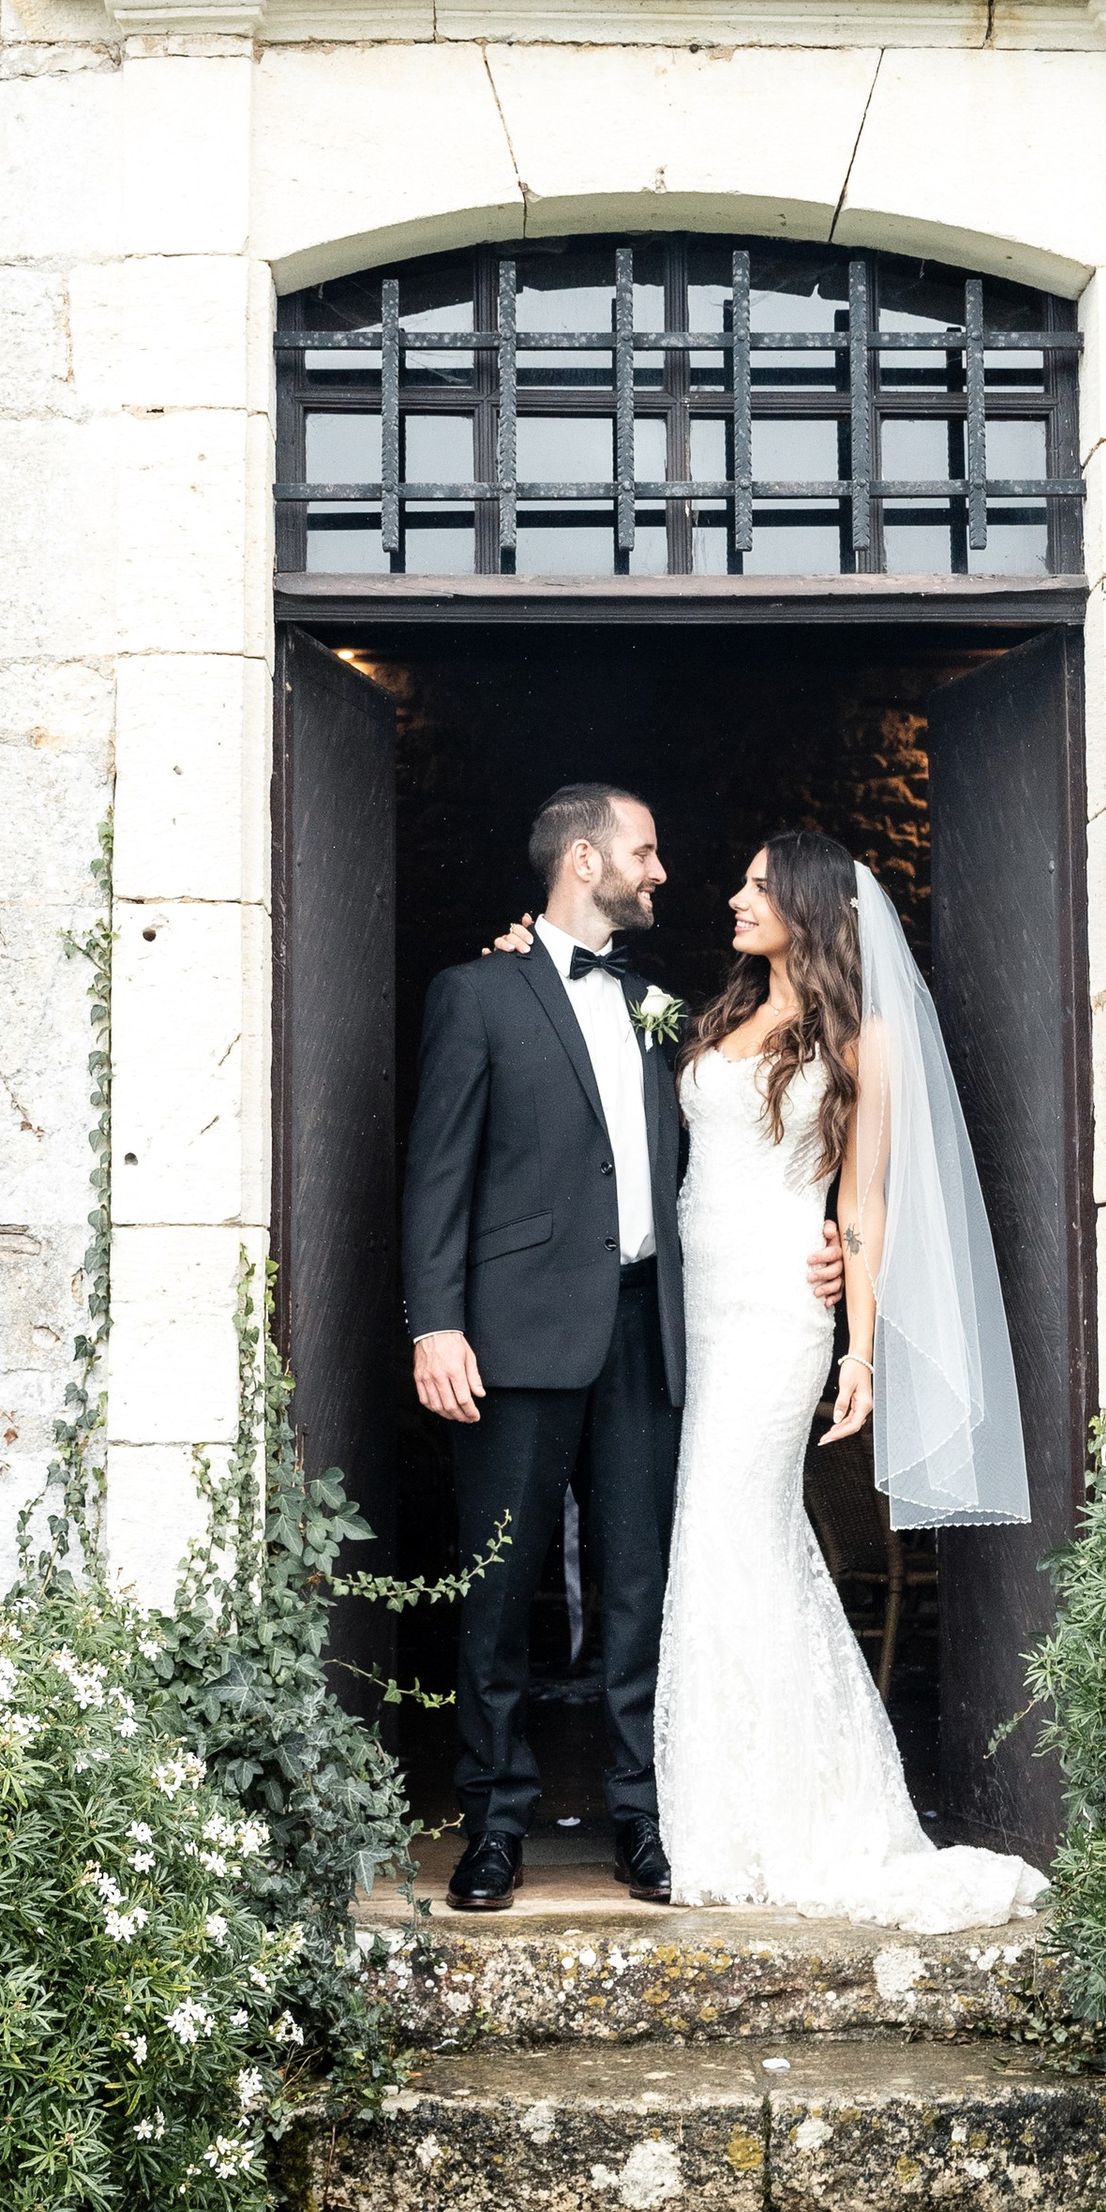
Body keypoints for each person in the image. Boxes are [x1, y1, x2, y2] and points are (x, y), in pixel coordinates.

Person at [400, 782, 843, 1916]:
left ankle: (645, 1823)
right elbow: (438, 1170)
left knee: (642, 1586)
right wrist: (434, 1321)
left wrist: (827, 1239)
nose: (661, 876)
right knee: (499, 1589)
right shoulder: (475, 991)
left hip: (654, 1332)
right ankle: (494, 1824)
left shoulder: (667, 1009)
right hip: (512, 1336)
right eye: (645, 854)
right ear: (586, 857)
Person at [656, 829, 1045, 1926]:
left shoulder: (860, 1034)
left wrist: (860, 1351)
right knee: (719, 1537)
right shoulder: (726, 1015)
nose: (733, 897)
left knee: (737, 1529)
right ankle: (728, 1805)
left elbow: (860, 1205)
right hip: (694, 1312)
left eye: (757, 886)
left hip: (783, 1309)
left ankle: (783, 1819)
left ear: (812, 907)